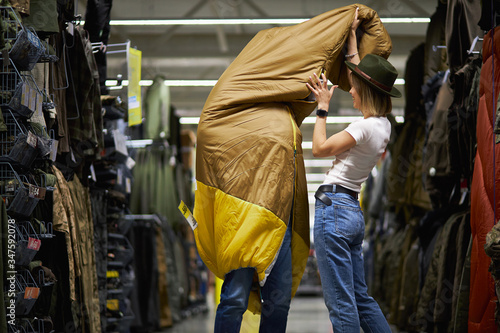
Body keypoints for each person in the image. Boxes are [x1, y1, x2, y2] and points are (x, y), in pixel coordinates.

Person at [305, 7, 400, 333]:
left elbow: (318, 148)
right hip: (351, 213)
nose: (351, 89)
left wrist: (322, 109)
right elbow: (359, 75)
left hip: (333, 213)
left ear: (368, 92)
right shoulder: (383, 125)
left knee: (341, 304)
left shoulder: (362, 129)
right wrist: (351, 39)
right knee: (360, 298)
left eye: (356, 87)